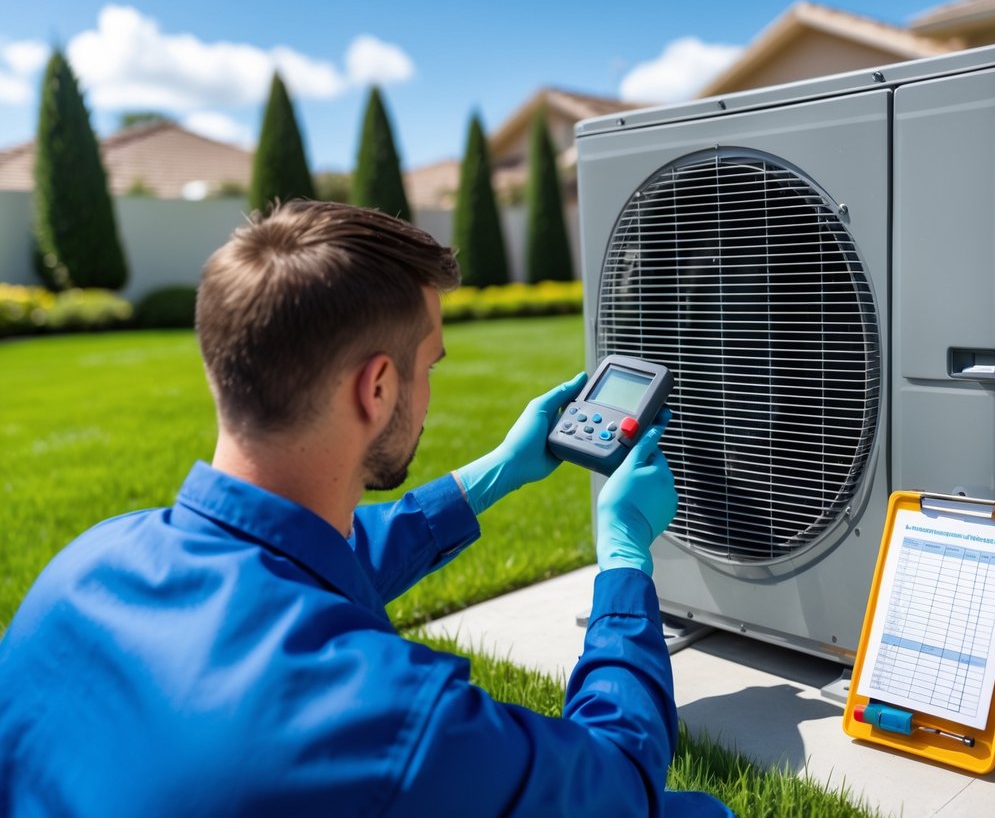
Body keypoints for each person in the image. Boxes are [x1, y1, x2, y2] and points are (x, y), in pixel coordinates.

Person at [0, 201, 731, 817]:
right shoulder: (391, 721)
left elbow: (299, 567)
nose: (431, 387)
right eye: (430, 365)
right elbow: (618, 781)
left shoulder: (82, 567)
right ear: (376, 388)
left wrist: (494, 476)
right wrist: (626, 554)